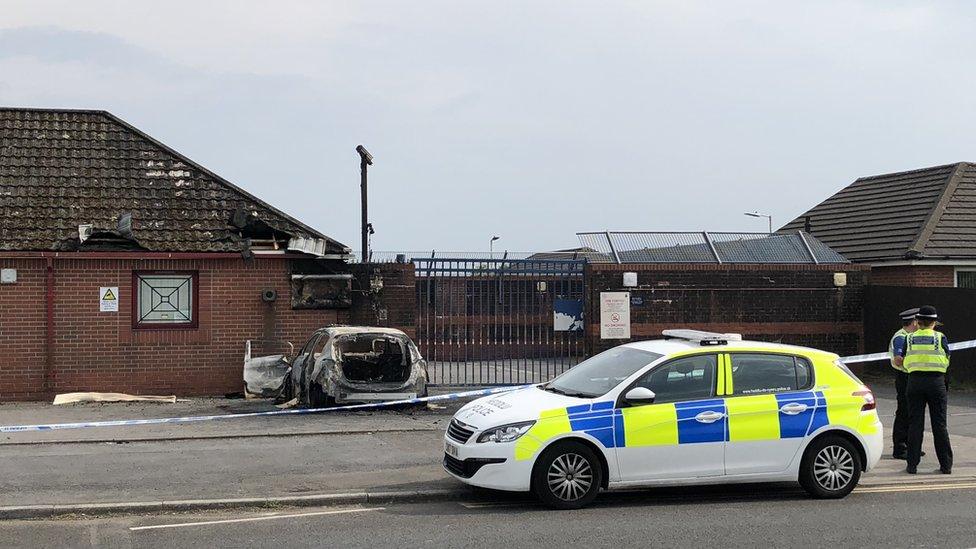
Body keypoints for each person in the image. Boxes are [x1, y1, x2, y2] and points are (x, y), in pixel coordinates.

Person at [894, 305, 953, 474]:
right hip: (936, 383)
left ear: (918, 322)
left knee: (915, 424)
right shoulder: (940, 338)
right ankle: (946, 465)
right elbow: (947, 360)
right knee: (940, 425)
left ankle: (912, 465)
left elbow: (903, 361)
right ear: (934, 322)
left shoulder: (909, 338)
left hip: (914, 383)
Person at [889, 308, 918, 460]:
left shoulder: (910, 336)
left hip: (910, 376)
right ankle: (900, 448)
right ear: (913, 322)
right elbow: (898, 359)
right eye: (917, 321)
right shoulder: (901, 337)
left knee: (911, 412)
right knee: (904, 412)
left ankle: (910, 445)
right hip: (904, 377)